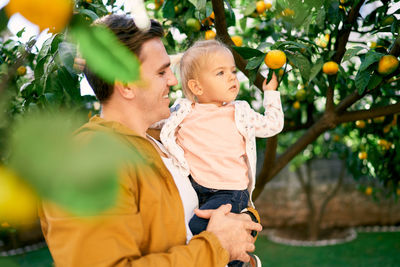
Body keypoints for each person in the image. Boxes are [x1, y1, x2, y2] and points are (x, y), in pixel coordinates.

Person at [38, 14, 262, 267]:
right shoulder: (86, 161)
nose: (173, 81)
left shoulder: (165, 141)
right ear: (126, 85)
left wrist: (242, 228)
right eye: (161, 72)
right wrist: (216, 248)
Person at [155, 40, 284, 267]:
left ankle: (238, 262)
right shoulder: (183, 111)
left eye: (233, 71)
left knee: (198, 229)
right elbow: (153, 119)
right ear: (196, 87)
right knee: (193, 231)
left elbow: (272, 125)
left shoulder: (239, 112)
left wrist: (271, 94)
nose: (232, 77)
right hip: (198, 190)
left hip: (230, 192)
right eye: (221, 73)